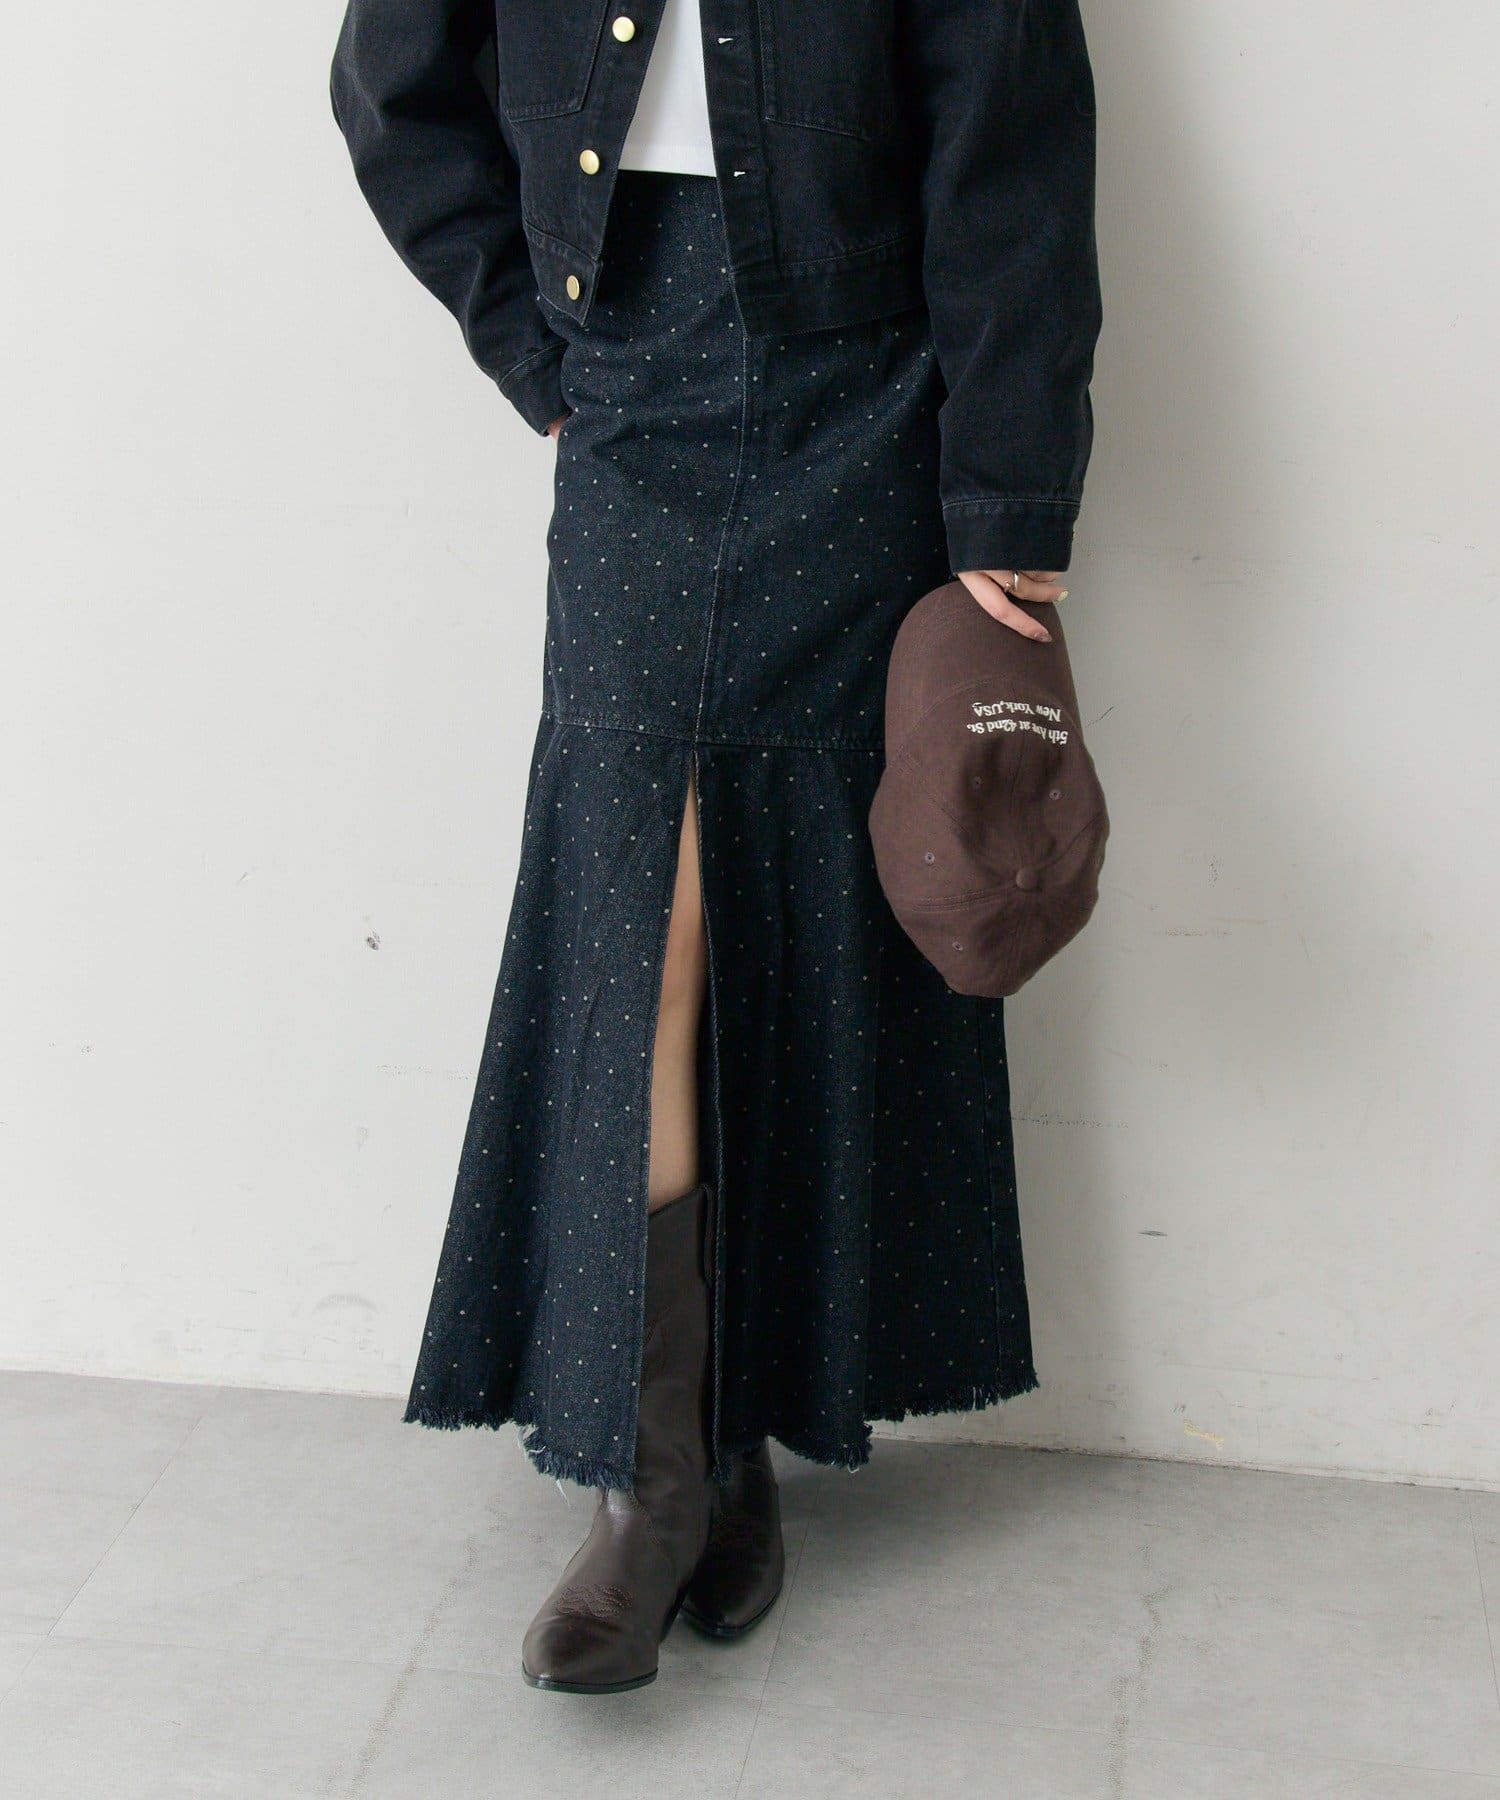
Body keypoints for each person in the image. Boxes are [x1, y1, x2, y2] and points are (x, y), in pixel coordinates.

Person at [330, 0, 1101, 1694]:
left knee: (806, 915)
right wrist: (532, 351)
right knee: (647, 929)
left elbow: (1014, 143)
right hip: (631, 384)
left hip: (871, 394)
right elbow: (392, 86)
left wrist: (1009, 491)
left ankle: (736, 1428)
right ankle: (653, 1473)